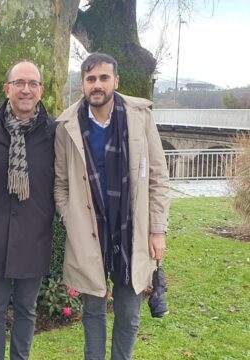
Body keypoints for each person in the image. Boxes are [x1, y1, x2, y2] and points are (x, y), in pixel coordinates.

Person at [53, 52, 170, 360]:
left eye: (104, 78)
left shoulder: (140, 116)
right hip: (88, 230)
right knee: (93, 312)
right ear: (82, 84)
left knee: (129, 314)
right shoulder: (67, 125)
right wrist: (72, 218)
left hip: (132, 229)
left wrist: (157, 229)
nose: (98, 85)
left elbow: (158, 176)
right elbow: (61, 184)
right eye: (91, 79)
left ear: (116, 80)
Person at [0, 60, 57, 360]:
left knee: (27, 309)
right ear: (6, 88)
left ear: (41, 90)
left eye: (32, 84)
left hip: (34, 236)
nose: (26, 89)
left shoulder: (53, 131)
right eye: (19, 83)